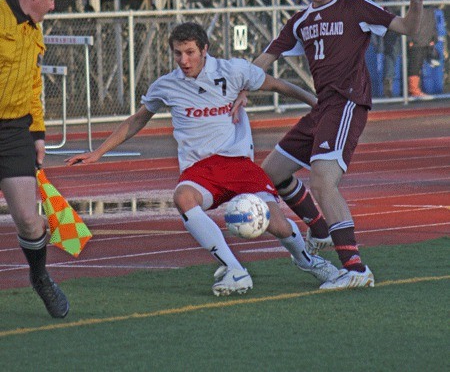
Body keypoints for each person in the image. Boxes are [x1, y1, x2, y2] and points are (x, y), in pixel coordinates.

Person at [65, 22, 339, 296]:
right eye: (178, 53)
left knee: (278, 225)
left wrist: (316, 104)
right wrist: (98, 152)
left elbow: (278, 85)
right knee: (183, 197)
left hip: (238, 164)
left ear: (205, 50)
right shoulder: (167, 85)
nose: (184, 60)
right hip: (200, 170)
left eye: (190, 52)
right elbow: (137, 119)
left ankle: (308, 262)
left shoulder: (232, 71)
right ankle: (235, 269)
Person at [245, 0, 433, 289]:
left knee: (322, 181)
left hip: (347, 103)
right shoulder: (300, 19)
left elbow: (409, 29)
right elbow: (265, 59)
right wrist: (242, 86)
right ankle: (319, 229)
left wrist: (417, 1)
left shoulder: (354, 7)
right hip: (322, 108)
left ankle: (356, 269)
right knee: (269, 174)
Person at [0, 0, 69, 317]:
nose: (54, 6)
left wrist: (37, 133)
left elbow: (32, 86)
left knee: (30, 220)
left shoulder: (33, 30)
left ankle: (40, 277)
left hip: (13, 132)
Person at [374, 0, 413, 97]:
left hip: (391, 22)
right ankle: (410, 87)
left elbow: (377, 1)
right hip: (409, 21)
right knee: (411, 54)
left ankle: (389, 81)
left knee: (391, 54)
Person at [407, 0, 438, 98]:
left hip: (423, 39)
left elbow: (432, 23)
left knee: (418, 65)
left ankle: (415, 90)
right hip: (418, 40)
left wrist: (434, 38)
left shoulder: (428, 7)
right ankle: (413, 90)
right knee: (415, 65)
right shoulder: (416, 6)